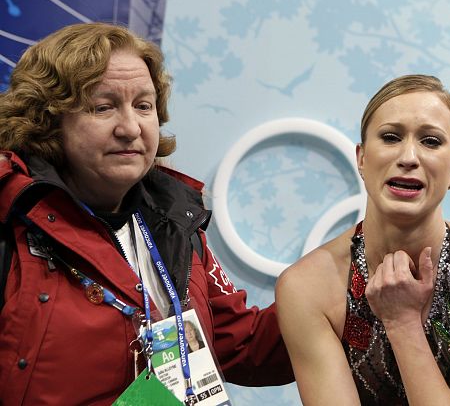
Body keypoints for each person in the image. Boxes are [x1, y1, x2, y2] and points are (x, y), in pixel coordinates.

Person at [0, 23, 293, 404]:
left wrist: (354, 273)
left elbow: (244, 345)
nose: (130, 128)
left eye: (144, 106)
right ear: (48, 121)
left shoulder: (174, 221)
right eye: (102, 107)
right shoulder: (11, 221)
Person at [276, 74, 450, 405]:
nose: (409, 157)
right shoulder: (306, 286)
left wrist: (402, 322)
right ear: (362, 159)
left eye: (431, 141)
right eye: (391, 137)